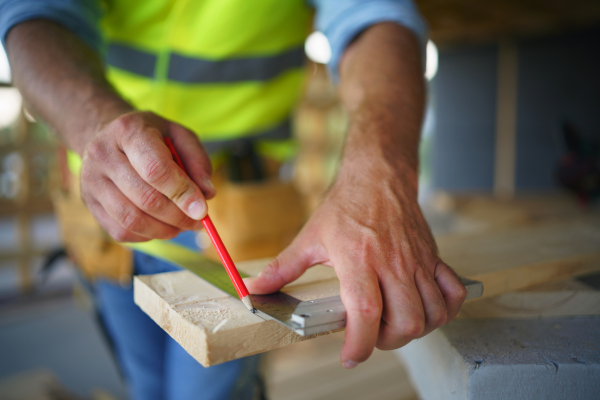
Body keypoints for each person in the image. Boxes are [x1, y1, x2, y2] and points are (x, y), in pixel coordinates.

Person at [1, 0, 467, 399]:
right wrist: (92, 122)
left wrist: (381, 168)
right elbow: (32, 15)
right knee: (145, 387)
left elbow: (376, 16)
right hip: (109, 211)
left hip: (240, 219)